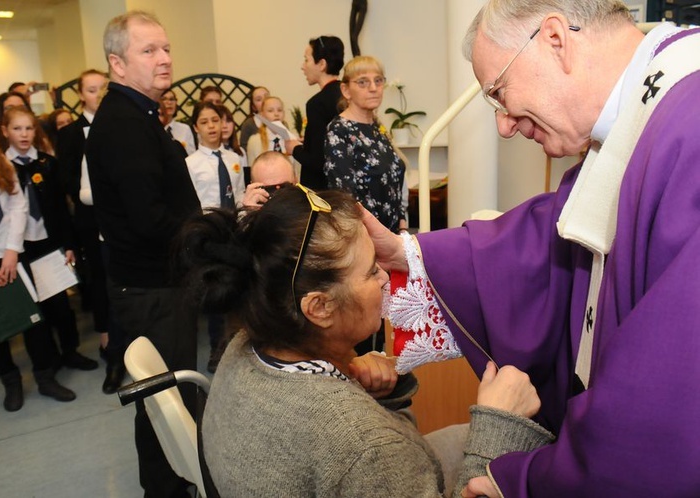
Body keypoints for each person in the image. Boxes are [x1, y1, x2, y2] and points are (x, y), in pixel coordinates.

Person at [365, 2, 700, 496]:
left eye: (498, 92)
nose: (503, 125)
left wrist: (527, 481)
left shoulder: (687, 122)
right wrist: (410, 253)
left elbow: (665, 403)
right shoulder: (639, 120)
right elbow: (554, 230)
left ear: (554, 39)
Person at [176, 185, 552, 497]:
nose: (387, 278)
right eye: (372, 270)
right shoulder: (362, 444)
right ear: (319, 307)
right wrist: (501, 428)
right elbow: (366, 453)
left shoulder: (246, 344)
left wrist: (375, 392)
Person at [85, 11, 201, 497]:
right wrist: (214, 230)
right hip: (154, 291)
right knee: (164, 411)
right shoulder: (125, 124)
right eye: (149, 51)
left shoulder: (137, 116)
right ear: (117, 63)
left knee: (165, 407)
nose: (165, 59)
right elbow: (150, 220)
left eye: (167, 48)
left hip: (158, 285)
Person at [0, 99, 76, 411]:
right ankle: (11, 381)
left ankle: (45, 378)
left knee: (34, 319)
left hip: (9, 255)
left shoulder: (0, 162)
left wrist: (10, 252)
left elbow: (17, 207)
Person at [1, 105, 98, 372]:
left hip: (49, 242)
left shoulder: (47, 163)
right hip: (19, 248)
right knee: (35, 311)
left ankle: (70, 351)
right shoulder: (0, 167)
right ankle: (47, 360)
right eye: (17, 129)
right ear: (5, 131)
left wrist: (68, 244)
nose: (24, 135)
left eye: (29, 128)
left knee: (61, 305)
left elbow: (61, 208)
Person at [55, 68, 123, 393]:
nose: (98, 95)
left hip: (123, 221)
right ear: (82, 95)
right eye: (92, 90)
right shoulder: (70, 134)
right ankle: (109, 347)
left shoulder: (120, 128)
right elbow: (66, 180)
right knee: (99, 282)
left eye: (103, 89)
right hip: (90, 220)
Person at [185, 101, 245, 372]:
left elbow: (241, 194)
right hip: (208, 233)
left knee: (237, 288)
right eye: (205, 122)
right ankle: (216, 347)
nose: (212, 127)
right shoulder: (190, 164)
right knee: (213, 290)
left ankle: (239, 343)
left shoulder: (234, 159)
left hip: (233, 230)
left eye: (216, 121)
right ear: (196, 127)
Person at [324, 55, 407, 234]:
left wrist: (402, 224)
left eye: (378, 81)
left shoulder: (377, 126)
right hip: (365, 236)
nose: (373, 88)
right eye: (363, 82)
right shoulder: (339, 130)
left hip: (392, 235)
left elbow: (394, 180)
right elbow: (344, 195)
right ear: (346, 90)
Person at [285, 35, 345, 190]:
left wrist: (295, 149)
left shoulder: (317, 103)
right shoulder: (346, 95)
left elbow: (319, 161)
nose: (302, 66)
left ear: (322, 64)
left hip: (323, 191)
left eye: (307, 60)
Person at [245, 96, 299, 167]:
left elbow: (298, 170)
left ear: (284, 113)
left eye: (279, 110)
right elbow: (252, 169)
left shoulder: (293, 138)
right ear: (262, 115)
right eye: (270, 111)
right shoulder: (254, 141)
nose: (276, 114)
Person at [159, 88, 196, 155]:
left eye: (172, 99)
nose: (169, 102)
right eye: (164, 99)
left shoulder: (185, 129)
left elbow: (191, 156)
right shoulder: (154, 128)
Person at [239, 85, 269, 150]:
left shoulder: (281, 122)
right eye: (259, 99)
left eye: (267, 97)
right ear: (253, 107)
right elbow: (244, 150)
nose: (264, 101)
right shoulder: (248, 124)